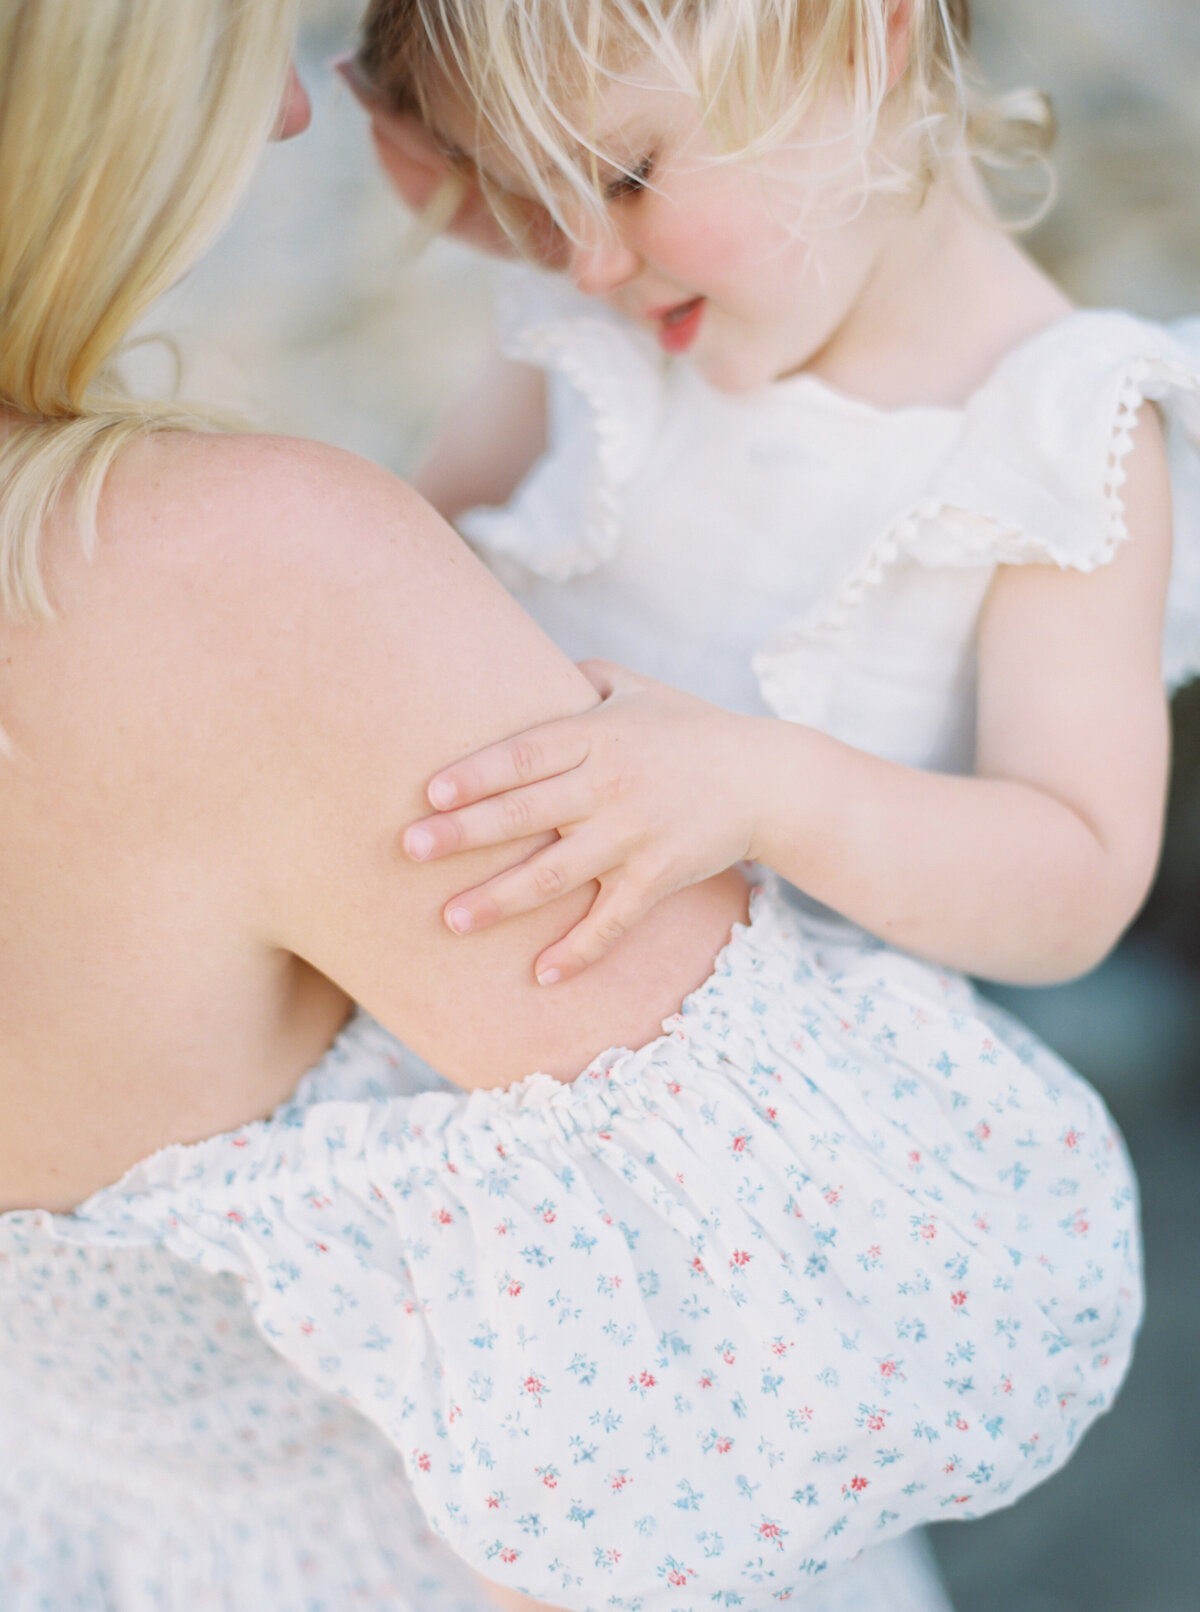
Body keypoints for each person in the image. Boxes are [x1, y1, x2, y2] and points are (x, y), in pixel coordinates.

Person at [0, 4, 1144, 1612]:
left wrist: (771, 791)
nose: (582, 261)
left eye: (617, 174)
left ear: (867, 40)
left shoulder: (1057, 433)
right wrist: (440, 118)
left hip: (713, 1316)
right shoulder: (585, 347)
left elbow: (1081, 880)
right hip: (538, 1280)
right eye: (521, 196)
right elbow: (436, 590)